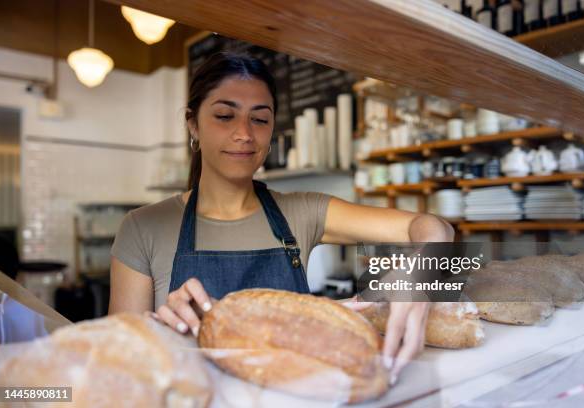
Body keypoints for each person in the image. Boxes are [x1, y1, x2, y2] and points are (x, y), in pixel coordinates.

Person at [109, 52, 454, 384]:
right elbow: (120, 368)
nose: (244, 132)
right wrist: (160, 333)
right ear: (193, 125)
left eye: (259, 119)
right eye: (225, 115)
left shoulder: (302, 212)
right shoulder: (144, 227)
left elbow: (432, 226)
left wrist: (423, 276)